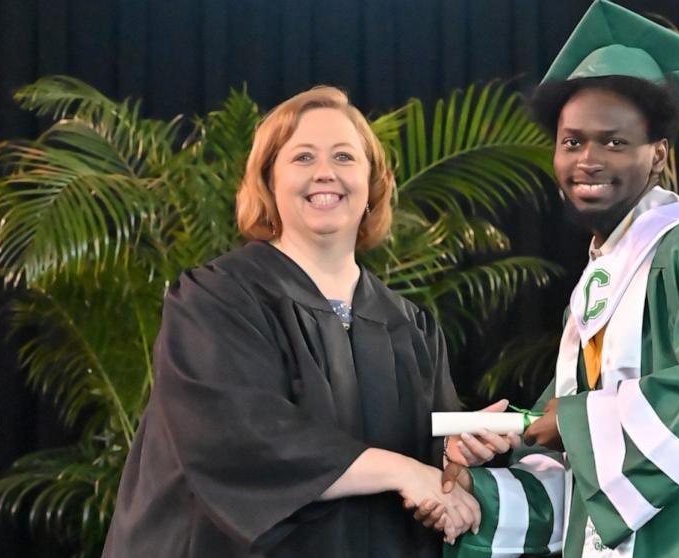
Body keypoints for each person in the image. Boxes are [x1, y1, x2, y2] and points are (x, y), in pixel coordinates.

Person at [414, 1, 679, 556]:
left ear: (658, 157)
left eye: (615, 141)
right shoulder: (601, 285)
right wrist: (477, 486)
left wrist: (573, 424)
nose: (589, 159)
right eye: (571, 141)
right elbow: (580, 479)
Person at [101, 86, 512, 557]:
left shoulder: (408, 325)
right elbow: (240, 437)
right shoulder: (218, 299)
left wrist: (453, 459)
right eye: (302, 158)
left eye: (344, 156)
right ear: (268, 182)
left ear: (373, 184)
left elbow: (431, 449)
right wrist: (401, 470)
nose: (325, 173)